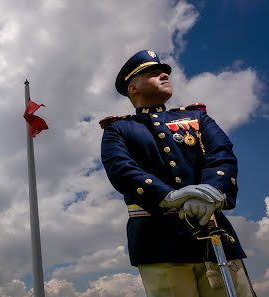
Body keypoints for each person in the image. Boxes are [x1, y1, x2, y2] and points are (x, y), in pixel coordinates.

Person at [100, 50, 256, 297]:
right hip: (158, 242)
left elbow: (222, 155)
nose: (164, 74)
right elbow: (120, 168)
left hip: (213, 231)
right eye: (153, 73)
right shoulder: (118, 130)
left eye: (164, 72)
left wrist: (213, 191)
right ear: (133, 88)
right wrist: (168, 196)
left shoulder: (197, 118)